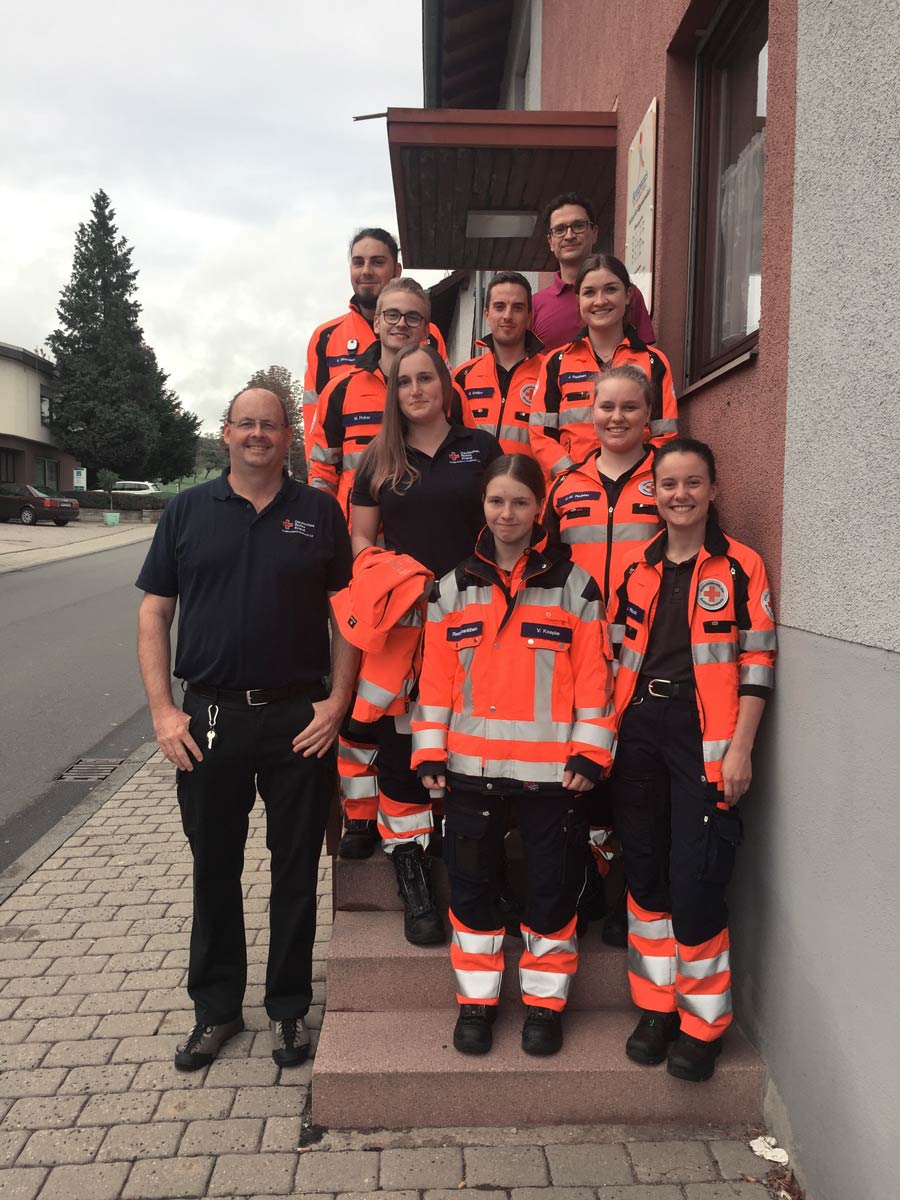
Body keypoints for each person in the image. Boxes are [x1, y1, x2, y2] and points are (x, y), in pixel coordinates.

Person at [136, 387, 357, 1071]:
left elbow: (346, 619)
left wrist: (337, 704)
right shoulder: (186, 511)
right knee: (215, 868)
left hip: (299, 718)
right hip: (208, 718)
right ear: (226, 432)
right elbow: (154, 616)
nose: (259, 434)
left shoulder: (319, 512)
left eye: (271, 424)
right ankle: (217, 1010)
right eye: (247, 424)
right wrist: (162, 711)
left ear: (288, 436)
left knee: (294, 870)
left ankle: (288, 1010)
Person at [412, 454, 616, 1058]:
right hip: (471, 775)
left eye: (520, 502)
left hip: (553, 779)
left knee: (552, 893)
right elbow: (436, 684)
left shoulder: (576, 586)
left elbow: (594, 682)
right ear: (484, 506)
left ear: (539, 508)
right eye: (497, 501)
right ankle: (476, 1003)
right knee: (471, 891)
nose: (508, 514)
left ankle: (544, 1008)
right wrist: (429, 754)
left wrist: (589, 753)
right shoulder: (450, 588)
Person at [607, 438, 776, 1082]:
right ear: (655, 492)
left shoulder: (741, 567)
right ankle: (655, 1008)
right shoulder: (638, 569)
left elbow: (758, 662)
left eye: (692, 483)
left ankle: (703, 1023)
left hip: (707, 743)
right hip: (641, 734)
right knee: (645, 874)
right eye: (668, 484)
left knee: (697, 881)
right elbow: (619, 659)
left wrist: (742, 748)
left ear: (712, 489)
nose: (679, 495)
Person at [350, 343, 502, 944]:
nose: (416, 389)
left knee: (469, 735)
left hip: (474, 618)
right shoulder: (377, 458)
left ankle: (468, 862)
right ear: (394, 393)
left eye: (426, 379)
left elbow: (503, 521)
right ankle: (411, 871)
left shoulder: (481, 448)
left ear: (445, 384)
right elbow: (360, 539)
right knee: (401, 744)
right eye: (405, 381)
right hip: (405, 624)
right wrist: (399, 578)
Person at [543, 364, 664, 941]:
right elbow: (545, 568)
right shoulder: (565, 485)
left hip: (645, 657)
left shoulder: (665, 480)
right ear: (590, 413)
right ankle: (587, 887)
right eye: (606, 407)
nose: (616, 418)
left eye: (629, 408)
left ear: (648, 415)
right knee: (580, 781)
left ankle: (626, 901)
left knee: (633, 787)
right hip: (579, 656)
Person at [308, 277, 450, 523]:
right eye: (392, 315)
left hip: (427, 534)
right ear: (376, 322)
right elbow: (322, 473)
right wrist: (326, 529)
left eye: (412, 317)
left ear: (427, 329)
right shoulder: (340, 391)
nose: (401, 324)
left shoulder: (447, 392)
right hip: (358, 539)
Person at [529, 253, 678, 482]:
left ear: (628, 295)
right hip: (572, 492)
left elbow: (665, 435)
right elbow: (541, 435)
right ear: (578, 300)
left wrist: (637, 477)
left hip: (637, 490)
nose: (600, 301)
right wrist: (573, 476)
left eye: (610, 290)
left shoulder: (652, 362)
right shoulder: (556, 363)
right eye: (589, 292)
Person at [303, 229, 447, 453]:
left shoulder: (430, 335)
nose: (366, 271)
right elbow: (315, 420)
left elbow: (444, 405)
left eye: (377, 262)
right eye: (358, 263)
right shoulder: (326, 337)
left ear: (397, 270)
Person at [531, 192, 655, 352]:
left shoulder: (625, 294)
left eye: (578, 226)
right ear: (550, 242)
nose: (569, 235)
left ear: (594, 233)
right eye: (560, 229)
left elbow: (647, 361)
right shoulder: (534, 306)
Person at [453, 271, 544, 457]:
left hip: (530, 484)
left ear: (529, 317)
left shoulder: (549, 372)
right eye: (499, 306)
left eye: (517, 307)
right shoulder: (462, 376)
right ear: (487, 314)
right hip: (474, 485)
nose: (507, 316)